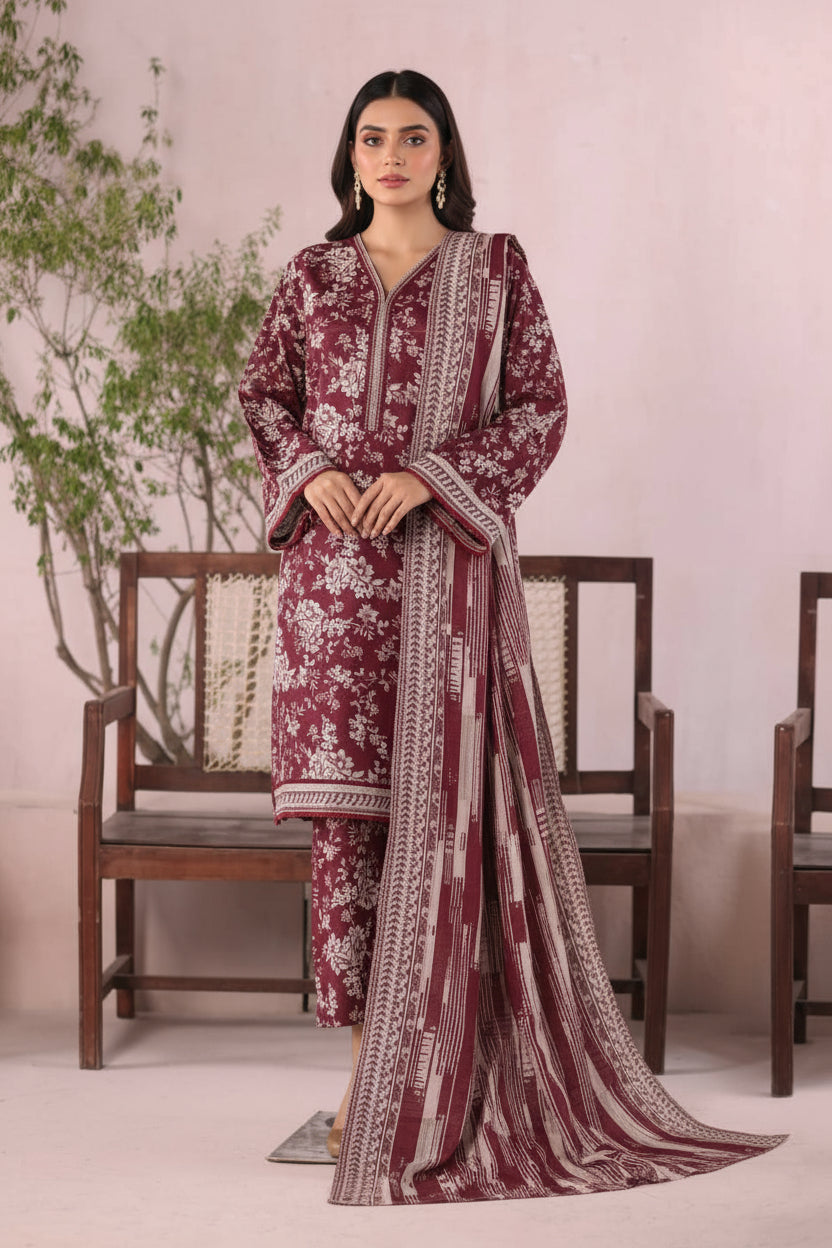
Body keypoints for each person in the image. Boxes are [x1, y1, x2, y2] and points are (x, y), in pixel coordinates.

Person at [240, 69, 782, 1207]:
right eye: (371, 137)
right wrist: (317, 473)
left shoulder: (493, 272)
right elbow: (262, 400)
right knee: (348, 839)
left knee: (449, 833)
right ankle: (361, 1088)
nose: (389, 155)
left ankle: (451, 1080)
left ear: (446, 154)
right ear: (348, 156)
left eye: (413, 136)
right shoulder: (311, 277)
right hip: (332, 596)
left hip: (447, 595)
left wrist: (428, 481)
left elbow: (541, 406)